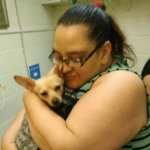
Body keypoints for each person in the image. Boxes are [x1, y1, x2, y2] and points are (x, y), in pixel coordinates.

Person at [2, 2, 150, 150]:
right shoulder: (72, 70)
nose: (63, 68)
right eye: (58, 56)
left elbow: (62, 146)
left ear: (104, 52)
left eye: (76, 58)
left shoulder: (123, 82)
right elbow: (9, 138)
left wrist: (28, 94)